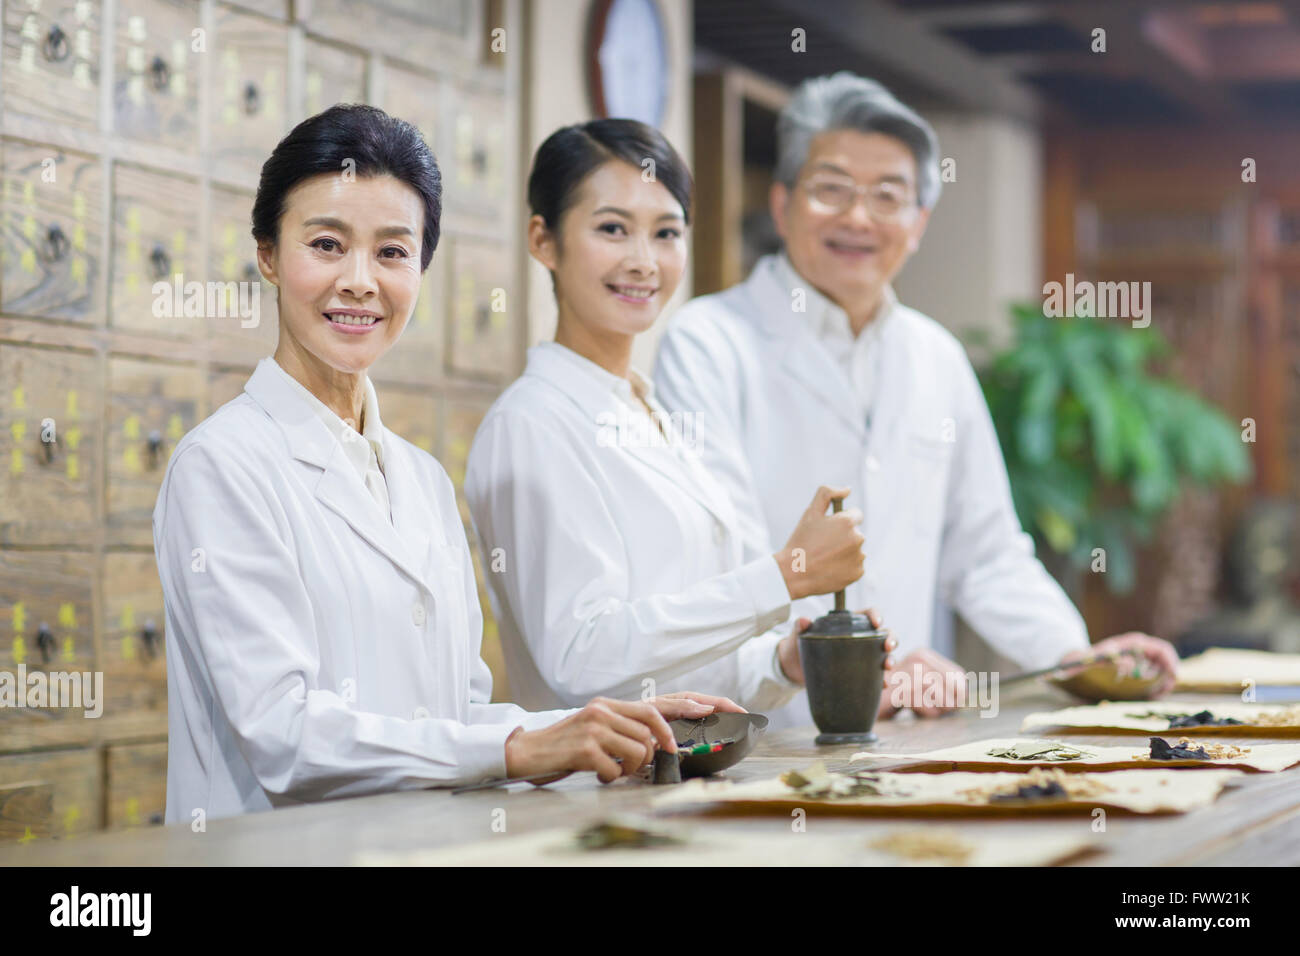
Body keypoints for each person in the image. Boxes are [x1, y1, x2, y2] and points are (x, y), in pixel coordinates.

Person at [153, 105, 738, 822]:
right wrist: (520, 750)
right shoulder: (222, 464)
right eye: (328, 245)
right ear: (269, 255)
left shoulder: (423, 479)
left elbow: (455, 714)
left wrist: (598, 725)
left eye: (393, 252)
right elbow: (285, 737)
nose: (361, 281)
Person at [653, 72, 1179, 728]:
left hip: (907, 741)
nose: (858, 217)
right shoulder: (706, 342)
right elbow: (720, 565)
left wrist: (1076, 658)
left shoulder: (937, 357)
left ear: (919, 222)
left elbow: (986, 555)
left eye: (888, 196)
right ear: (783, 204)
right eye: (832, 190)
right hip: (763, 731)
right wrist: (821, 662)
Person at [465, 118, 894, 713]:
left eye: (667, 233)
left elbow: (692, 667)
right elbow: (577, 657)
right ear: (544, 240)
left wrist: (779, 663)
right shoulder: (530, 425)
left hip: (693, 784)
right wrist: (782, 577)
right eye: (612, 229)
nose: (644, 261)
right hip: (588, 795)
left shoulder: (654, 411)